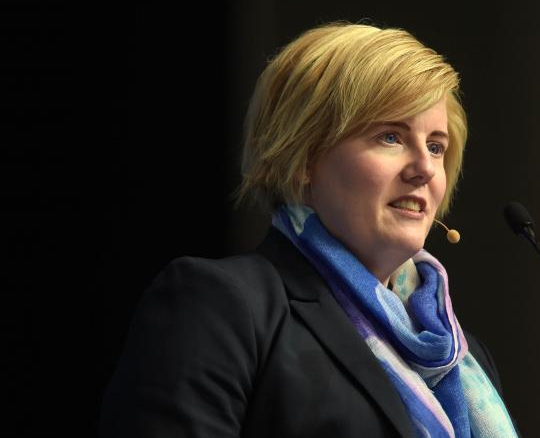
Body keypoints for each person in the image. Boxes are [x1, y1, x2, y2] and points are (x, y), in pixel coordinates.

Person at [100, 22, 518, 438]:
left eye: (435, 146)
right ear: (303, 157)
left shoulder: (461, 355)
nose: (425, 168)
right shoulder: (224, 306)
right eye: (391, 136)